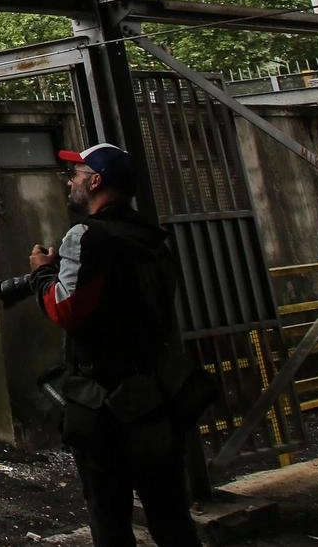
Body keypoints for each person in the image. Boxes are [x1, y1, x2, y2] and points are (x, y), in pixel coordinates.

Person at [27, 143, 204, 547]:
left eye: (76, 173)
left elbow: (65, 310)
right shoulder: (151, 237)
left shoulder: (86, 237)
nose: (70, 181)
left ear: (96, 181)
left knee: (110, 517)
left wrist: (42, 274)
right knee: (171, 516)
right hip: (157, 397)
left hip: (104, 404)